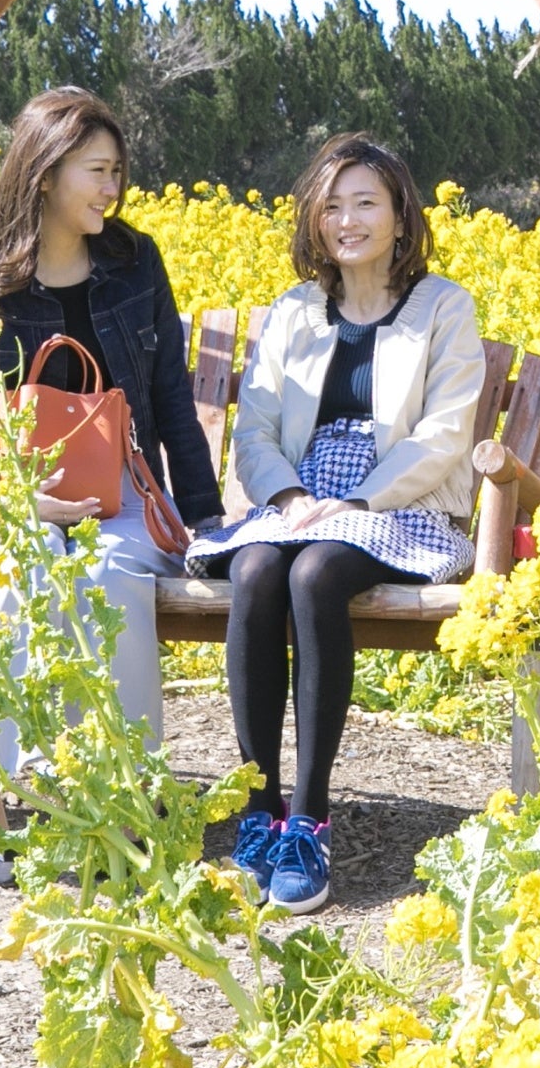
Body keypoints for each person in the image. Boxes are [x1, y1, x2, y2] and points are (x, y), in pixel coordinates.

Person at [0, 86, 220, 884]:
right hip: (10, 500)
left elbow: (169, 400)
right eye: (96, 170)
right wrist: (11, 501)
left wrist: (207, 521)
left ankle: (125, 794)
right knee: (7, 577)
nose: (111, 189)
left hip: (119, 497)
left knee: (108, 576)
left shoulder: (135, 263)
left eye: (117, 171)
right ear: (46, 170)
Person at [197, 134, 485, 914]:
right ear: (313, 221)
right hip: (298, 498)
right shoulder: (294, 311)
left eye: (366, 202)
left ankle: (310, 819)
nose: (348, 220)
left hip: (401, 505)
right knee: (258, 569)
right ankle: (259, 812)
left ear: (400, 214)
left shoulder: (442, 307)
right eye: (332, 206)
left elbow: (444, 434)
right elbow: (254, 427)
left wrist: (357, 504)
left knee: (319, 570)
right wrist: (288, 498)